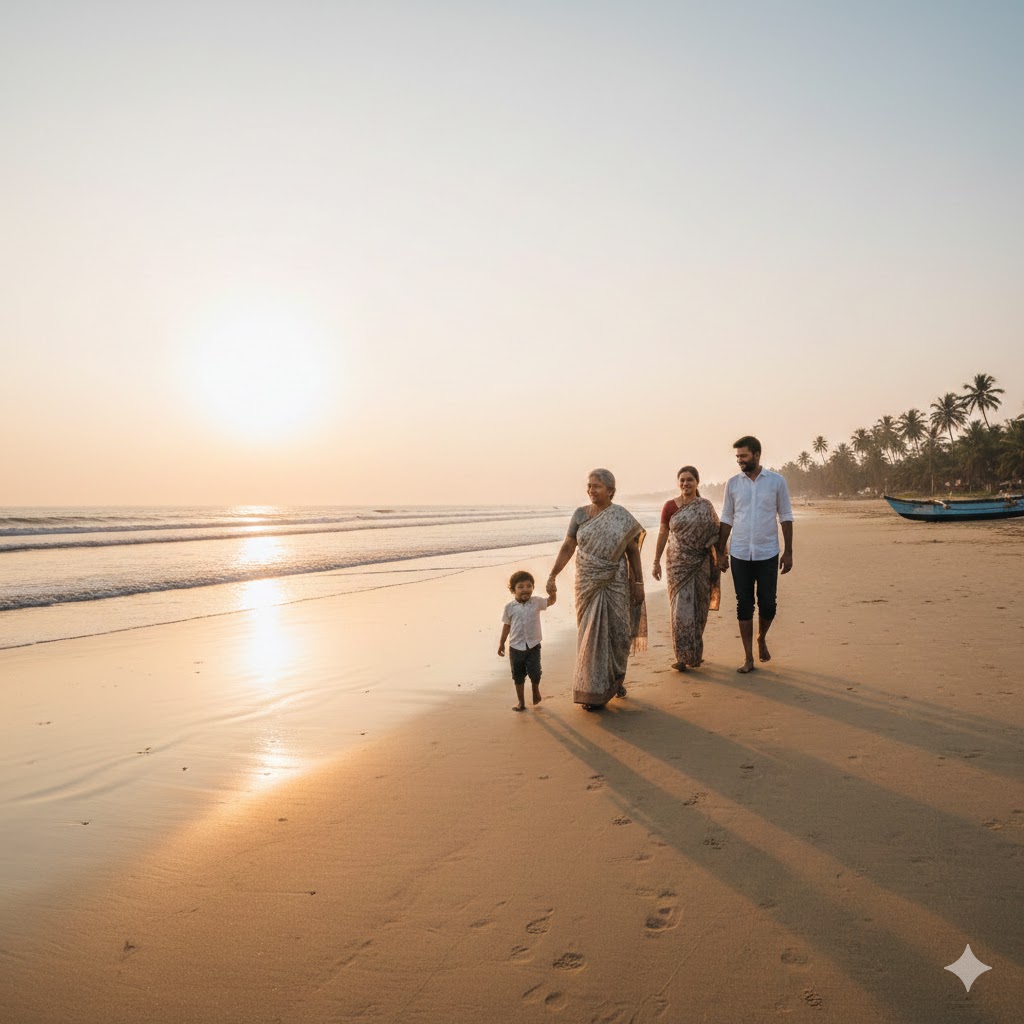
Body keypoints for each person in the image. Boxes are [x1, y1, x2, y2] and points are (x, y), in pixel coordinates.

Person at [546, 469, 647, 710]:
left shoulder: (621, 516)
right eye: (589, 486)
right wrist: (553, 574)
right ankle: (592, 691)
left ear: (611, 490)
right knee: (590, 635)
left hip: (616, 582)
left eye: (597, 486)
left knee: (619, 634)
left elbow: (632, 551)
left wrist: (639, 583)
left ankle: (615, 679)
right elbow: (569, 546)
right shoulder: (580, 515)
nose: (591, 490)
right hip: (587, 583)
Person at [716, 435, 794, 674]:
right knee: (744, 605)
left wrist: (788, 552)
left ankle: (761, 638)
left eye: (744, 456)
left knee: (768, 604)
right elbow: (727, 517)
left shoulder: (776, 482)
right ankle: (748, 657)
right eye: (738, 456)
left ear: (757, 455)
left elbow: (786, 516)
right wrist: (721, 551)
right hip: (740, 552)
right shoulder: (733, 483)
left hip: (768, 552)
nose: (740, 460)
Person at [651, 466, 721, 672]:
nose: (685, 484)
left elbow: (715, 533)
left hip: (701, 563)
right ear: (678, 483)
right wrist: (655, 561)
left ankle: (695, 653)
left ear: (697, 482)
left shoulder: (705, 506)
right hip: (677, 564)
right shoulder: (670, 506)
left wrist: (722, 557)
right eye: (682, 480)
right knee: (680, 612)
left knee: (699, 610)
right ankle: (682, 657)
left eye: (690, 480)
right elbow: (663, 533)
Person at [498, 570, 555, 711]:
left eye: (529, 586)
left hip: (533, 645)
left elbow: (551, 601)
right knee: (517, 675)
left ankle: (535, 690)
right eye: (521, 586)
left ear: (533, 588)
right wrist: (501, 643)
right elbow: (506, 625)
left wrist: (553, 592)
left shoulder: (536, 602)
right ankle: (521, 702)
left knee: (535, 672)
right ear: (513, 590)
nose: (525, 589)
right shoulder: (509, 608)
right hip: (515, 647)